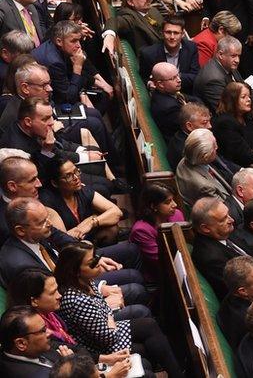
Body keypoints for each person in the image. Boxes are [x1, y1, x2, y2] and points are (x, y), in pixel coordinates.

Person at [54, 241, 183, 377]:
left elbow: (105, 309)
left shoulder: (86, 281)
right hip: (97, 347)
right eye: (91, 263)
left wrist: (108, 317)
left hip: (106, 330)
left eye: (96, 258)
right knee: (143, 347)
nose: (98, 264)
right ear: (75, 271)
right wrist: (109, 318)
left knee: (149, 325)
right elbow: (108, 338)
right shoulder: (76, 300)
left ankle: (177, 372)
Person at [6, 269, 140, 375]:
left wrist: (105, 359)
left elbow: (74, 348)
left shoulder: (47, 316)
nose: (59, 296)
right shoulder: (31, 366)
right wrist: (109, 376)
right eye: (53, 293)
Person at [40, 159, 122, 246]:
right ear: (55, 183)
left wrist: (91, 222)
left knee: (112, 229)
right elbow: (63, 240)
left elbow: (117, 212)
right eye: (68, 176)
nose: (76, 178)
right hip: (71, 249)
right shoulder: (48, 201)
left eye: (76, 171)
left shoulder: (81, 189)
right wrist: (92, 217)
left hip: (85, 237)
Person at [128, 183, 183, 282]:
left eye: (173, 200)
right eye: (168, 202)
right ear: (153, 206)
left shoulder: (177, 215)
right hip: (157, 275)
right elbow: (159, 261)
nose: (175, 205)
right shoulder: (141, 230)